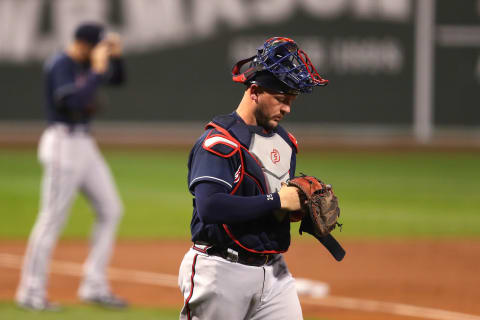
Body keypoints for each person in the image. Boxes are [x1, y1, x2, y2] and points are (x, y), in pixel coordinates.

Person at [178, 37, 329, 320]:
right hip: (220, 271)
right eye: (282, 99)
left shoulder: (285, 142)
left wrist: (297, 207)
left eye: (291, 101)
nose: (287, 109)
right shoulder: (219, 141)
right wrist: (276, 200)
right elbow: (210, 208)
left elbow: (271, 201)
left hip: (274, 272)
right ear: (255, 91)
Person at [16, 22, 127, 311]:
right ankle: (30, 292)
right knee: (52, 218)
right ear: (86, 44)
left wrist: (116, 57)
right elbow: (71, 101)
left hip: (84, 144)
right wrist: (97, 70)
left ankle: (94, 286)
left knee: (111, 210)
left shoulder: (87, 63)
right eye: (99, 46)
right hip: (62, 143)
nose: (101, 51)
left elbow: (118, 80)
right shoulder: (61, 64)